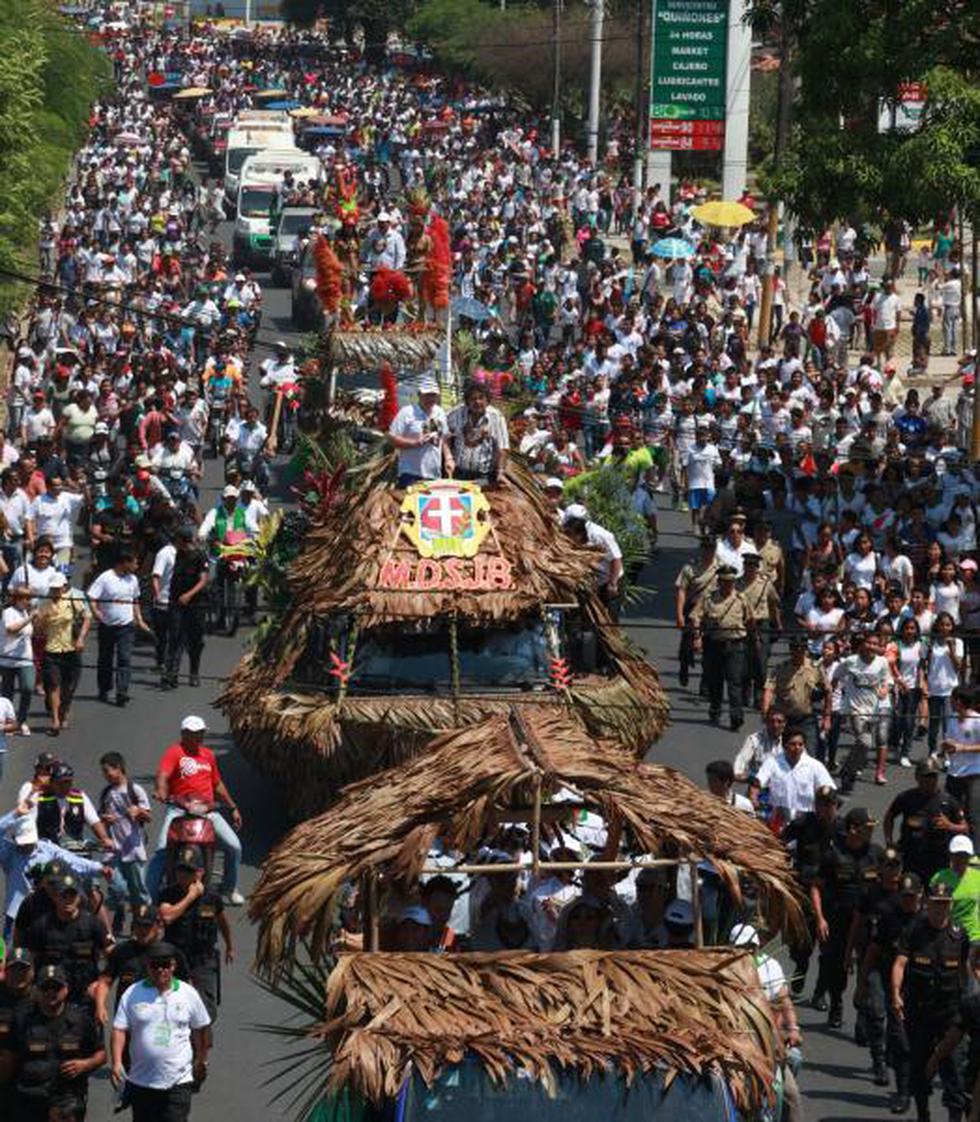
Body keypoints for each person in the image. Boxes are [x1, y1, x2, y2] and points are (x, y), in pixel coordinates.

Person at [891, 880, 968, 1122]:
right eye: (936, 904)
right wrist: (895, 993)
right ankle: (923, 1113)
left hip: (950, 1015)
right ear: (928, 903)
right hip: (920, 1011)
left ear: (950, 906)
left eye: (944, 904)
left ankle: (955, 1115)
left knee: (953, 1069)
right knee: (920, 1067)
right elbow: (900, 963)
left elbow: (966, 970)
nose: (939, 909)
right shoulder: (915, 931)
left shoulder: (959, 935)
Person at [148, 716, 244, 905]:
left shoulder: (208, 755)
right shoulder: (175, 752)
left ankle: (229, 888)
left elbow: (217, 784)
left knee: (234, 846)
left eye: (200, 733)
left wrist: (233, 807)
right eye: (193, 733)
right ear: (183, 734)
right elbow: (163, 774)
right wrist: (161, 790)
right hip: (179, 810)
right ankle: (149, 898)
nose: (198, 737)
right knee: (161, 850)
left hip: (207, 810)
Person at [111, 941, 211, 1122]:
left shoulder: (188, 993)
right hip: (141, 1082)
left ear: (173, 966)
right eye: (155, 965)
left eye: (165, 965)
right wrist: (117, 1062)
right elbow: (119, 1029)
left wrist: (201, 1059)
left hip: (177, 1082)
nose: (160, 970)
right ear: (147, 966)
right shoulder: (132, 993)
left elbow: (201, 1028)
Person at [3, 963, 105, 1121]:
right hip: (28, 1099)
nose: (51, 992)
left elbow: (102, 1054)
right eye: (45, 987)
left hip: (67, 1100)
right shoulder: (21, 1019)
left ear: (66, 989)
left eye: (56, 987)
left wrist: (86, 1064)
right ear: (37, 990)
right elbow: (8, 1059)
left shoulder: (81, 1020)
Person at [856, 871, 923, 1110]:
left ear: (920, 896)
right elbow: (873, 950)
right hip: (890, 983)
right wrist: (861, 983)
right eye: (904, 896)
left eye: (912, 897)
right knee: (897, 1034)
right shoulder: (888, 916)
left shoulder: (928, 921)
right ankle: (902, 1092)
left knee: (918, 1043)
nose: (907, 901)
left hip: (921, 989)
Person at [812, 806, 884, 1028]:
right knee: (837, 965)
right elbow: (815, 886)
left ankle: (863, 1016)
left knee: (868, 967)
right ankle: (836, 1004)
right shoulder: (834, 855)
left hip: (866, 922)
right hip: (838, 919)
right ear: (854, 829)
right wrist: (820, 918)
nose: (871, 831)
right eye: (867, 827)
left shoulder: (876, 854)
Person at [729, 923, 803, 1122]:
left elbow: (783, 1000)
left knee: (791, 1094)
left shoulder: (770, 967)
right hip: (738, 1047)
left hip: (770, 1045)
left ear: (756, 947)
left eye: (749, 948)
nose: (746, 953)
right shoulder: (725, 972)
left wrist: (793, 1029)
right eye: (740, 949)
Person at [0, 810, 110, 942]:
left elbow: (73, 861)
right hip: (16, 911)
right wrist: (15, 814)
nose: (26, 846)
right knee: (8, 948)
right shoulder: (9, 854)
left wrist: (99, 868)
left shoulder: (47, 849)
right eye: (23, 843)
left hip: (45, 910)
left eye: (28, 842)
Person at [156, 847, 233, 1024]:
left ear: (200, 872)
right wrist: (191, 897)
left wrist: (230, 946)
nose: (182, 875)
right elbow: (167, 916)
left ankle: (201, 1047)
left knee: (205, 1012)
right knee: (172, 1010)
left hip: (202, 960)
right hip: (175, 961)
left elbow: (222, 921)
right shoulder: (168, 894)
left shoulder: (212, 897)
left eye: (188, 871)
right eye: (180, 870)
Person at [782, 784, 841, 998]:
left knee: (828, 949)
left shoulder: (842, 829)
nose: (823, 809)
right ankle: (801, 966)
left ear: (835, 806)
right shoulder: (803, 823)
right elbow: (780, 841)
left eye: (827, 805)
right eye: (819, 804)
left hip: (831, 894)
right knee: (801, 942)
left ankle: (819, 993)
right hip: (804, 890)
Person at [23, 874, 111, 1013]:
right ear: (55, 897)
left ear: (79, 897)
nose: (68, 900)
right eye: (64, 896)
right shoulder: (41, 926)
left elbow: (113, 954)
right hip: (50, 996)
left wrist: (101, 983)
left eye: (72, 896)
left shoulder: (92, 923)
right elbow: (29, 960)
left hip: (83, 997)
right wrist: (33, 989)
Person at [94, 905, 190, 1022]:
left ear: (158, 926)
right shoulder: (122, 951)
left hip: (161, 1019)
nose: (142, 931)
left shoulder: (170, 952)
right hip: (127, 1018)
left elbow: (186, 986)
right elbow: (105, 981)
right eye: (138, 926)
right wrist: (100, 1006)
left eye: (147, 926)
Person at [883, 758, 968, 883]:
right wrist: (889, 842)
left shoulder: (949, 801)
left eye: (934, 776)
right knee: (909, 892)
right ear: (917, 777)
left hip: (938, 859)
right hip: (911, 856)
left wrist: (949, 825)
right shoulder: (906, 798)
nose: (931, 780)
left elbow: (964, 828)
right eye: (927, 776)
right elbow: (889, 817)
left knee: (936, 895)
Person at [690, 564, 753, 730]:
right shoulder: (708, 598)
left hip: (735, 644)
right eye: (724, 581)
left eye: (731, 581)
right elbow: (696, 616)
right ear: (719, 581)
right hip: (714, 644)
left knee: (735, 682)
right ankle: (715, 710)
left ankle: (736, 716)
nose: (728, 584)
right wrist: (697, 637)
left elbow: (750, 619)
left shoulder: (741, 599)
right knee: (715, 680)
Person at [86, 548, 152, 707]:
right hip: (107, 625)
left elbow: (135, 600)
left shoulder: (133, 580)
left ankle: (122, 691)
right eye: (134, 562)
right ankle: (104, 688)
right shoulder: (105, 578)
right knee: (105, 659)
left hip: (126, 626)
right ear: (124, 563)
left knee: (125, 658)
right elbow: (92, 596)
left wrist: (140, 619)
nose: (137, 565)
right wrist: (96, 612)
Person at [831, 631, 895, 792]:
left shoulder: (882, 662)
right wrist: (832, 696)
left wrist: (885, 689)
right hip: (854, 708)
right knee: (865, 741)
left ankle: (848, 772)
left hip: (872, 709)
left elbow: (888, 680)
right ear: (862, 644)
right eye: (869, 643)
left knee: (864, 745)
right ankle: (849, 772)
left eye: (875, 644)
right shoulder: (850, 662)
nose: (872, 647)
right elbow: (835, 677)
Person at [97, 752, 152, 924]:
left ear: (119, 768)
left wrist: (138, 812)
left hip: (133, 849)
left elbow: (148, 816)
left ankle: (140, 924)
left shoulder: (134, 790)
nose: (105, 775)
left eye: (108, 771)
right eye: (103, 772)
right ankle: (118, 909)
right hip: (113, 850)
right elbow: (101, 819)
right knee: (117, 887)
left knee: (138, 892)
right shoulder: (106, 793)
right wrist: (106, 823)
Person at [35, 571, 89, 735]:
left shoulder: (74, 599)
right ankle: (55, 721)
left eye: (58, 588)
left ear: (64, 587)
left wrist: (81, 638)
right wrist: (44, 617)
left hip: (71, 649)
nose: (55, 591)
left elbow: (87, 617)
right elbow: (38, 629)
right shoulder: (44, 603)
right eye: (53, 588)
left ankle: (63, 711)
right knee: (53, 686)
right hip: (52, 650)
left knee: (69, 687)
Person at [749, 725, 836, 825]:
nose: (797, 748)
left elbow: (829, 791)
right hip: (778, 821)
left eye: (800, 744)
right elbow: (758, 782)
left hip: (806, 822)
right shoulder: (772, 763)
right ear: (784, 745)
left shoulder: (815, 766)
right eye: (793, 744)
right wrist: (754, 797)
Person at [161, 525, 209, 690]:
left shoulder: (200, 556)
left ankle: (193, 672)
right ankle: (171, 675)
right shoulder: (179, 554)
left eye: (177, 539)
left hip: (195, 604)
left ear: (182, 540)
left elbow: (203, 580)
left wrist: (189, 595)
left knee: (195, 641)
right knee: (175, 638)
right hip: (177, 602)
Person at [763, 637, 824, 754]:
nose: (798, 652)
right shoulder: (780, 669)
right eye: (795, 649)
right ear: (790, 650)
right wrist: (766, 711)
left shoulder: (815, 668)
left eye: (801, 649)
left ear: (806, 650)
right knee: (780, 752)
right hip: (785, 719)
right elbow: (769, 690)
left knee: (811, 751)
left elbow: (827, 691)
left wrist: (827, 717)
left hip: (807, 718)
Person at [738, 552, 782, 711]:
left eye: (753, 566)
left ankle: (759, 696)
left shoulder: (765, 584)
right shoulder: (738, 584)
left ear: (757, 568)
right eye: (747, 565)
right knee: (743, 661)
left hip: (761, 624)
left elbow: (774, 603)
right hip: (742, 625)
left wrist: (778, 623)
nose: (750, 569)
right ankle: (744, 693)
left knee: (760, 662)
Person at [388, 378, 449, 487]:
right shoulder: (407, 412)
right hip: (410, 474)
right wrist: (414, 443)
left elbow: (443, 439)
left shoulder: (440, 413)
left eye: (433, 395)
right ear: (419, 394)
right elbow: (392, 438)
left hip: (434, 475)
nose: (431, 398)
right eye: (427, 395)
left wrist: (448, 458)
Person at [445, 381, 509, 484]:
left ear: (487, 400)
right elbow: (445, 435)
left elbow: (502, 448)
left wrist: (500, 472)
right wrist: (448, 457)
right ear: (467, 401)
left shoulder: (496, 417)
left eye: (481, 398)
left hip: (483, 477)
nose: (477, 402)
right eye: (473, 399)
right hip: (457, 473)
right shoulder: (455, 413)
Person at [929, 836, 980, 946]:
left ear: (969, 856)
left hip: (974, 937)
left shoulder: (978, 877)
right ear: (950, 855)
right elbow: (931, 906)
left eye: (964, 855)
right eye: (957, 855)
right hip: (949, 936)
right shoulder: (939, 877)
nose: (960, 859)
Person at [733, 708, 786, 783]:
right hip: (757, 786)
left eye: (779, 722)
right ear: (766, 722)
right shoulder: (754, 739)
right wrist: (738, 773)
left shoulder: (791, 742)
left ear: (785, 723)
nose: (775, 725)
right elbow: (742, 758)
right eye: (772, 721)